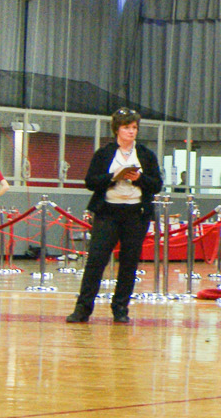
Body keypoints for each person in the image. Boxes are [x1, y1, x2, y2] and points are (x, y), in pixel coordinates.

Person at [67, 109, 163, 325]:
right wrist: (113, 177)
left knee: (129, 263)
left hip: (135, 214)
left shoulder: (146, 154)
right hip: (108, 213)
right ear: (117, 130)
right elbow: (91, 181)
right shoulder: (104, 153)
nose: (131, 131)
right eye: (127, 127)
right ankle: (82, 309)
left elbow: (157, 184)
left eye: (134, 128)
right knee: (96, 261)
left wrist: (139, 178)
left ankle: (120, 308)